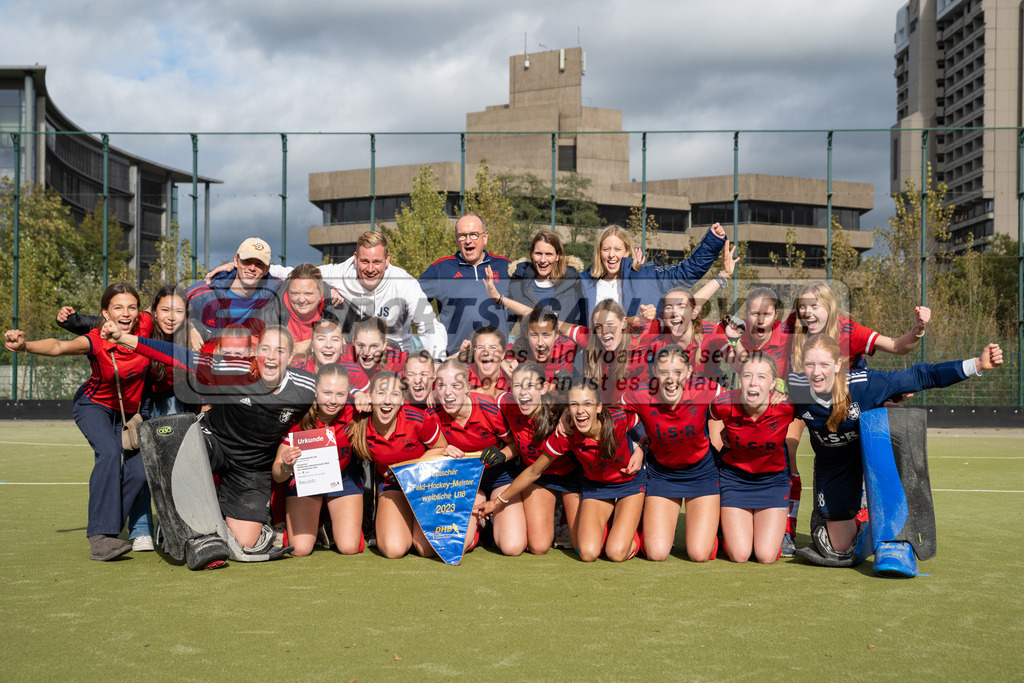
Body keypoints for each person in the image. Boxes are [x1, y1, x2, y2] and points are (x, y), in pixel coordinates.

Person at [101, 321, 316, 555]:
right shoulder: (233, 369)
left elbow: (341, 391)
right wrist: (122, 338)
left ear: (291, 356)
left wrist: (361, 397)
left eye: (280, 351)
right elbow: (176, 355)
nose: (272, 357)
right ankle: (189, 527)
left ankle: (228, 520)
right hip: (214, 440)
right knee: (183, 455)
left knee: (245, 542)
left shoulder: (305, 387)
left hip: (252, 466)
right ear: (255, 351)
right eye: (265, 349)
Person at [789, 334, 1003, 566]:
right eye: (809, 364)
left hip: (872, 459)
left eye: (824, 364)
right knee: (839, 548)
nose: (816, 372)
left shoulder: (865, 384)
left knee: (892, 418)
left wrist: (978, 364)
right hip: (834, 466)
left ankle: (892, 533)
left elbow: (921, 375)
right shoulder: (795, 390)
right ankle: (857, 514)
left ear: (839, 364)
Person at [4, 283, 151, 561]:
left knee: (141, 471)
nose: (126, 313)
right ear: (105, 313)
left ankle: (109, 527)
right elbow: (59, 346)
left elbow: (172, 313)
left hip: (128, 414)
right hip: (93, 405)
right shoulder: (96, 339)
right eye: (118, 307)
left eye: (132, 307)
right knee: (109, 453)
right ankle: (100, 538)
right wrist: (23, 346)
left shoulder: (145, 324)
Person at [477, 377, 646, 563]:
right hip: (596, 488)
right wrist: (495, 503)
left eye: (587, 404)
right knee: (588, 553)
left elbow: (649, 420)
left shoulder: (619, 419)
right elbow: (534, 471)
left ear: (599, 407)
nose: (580, 410)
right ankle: (615, 525)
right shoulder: (566, 434)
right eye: (574, 404)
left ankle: (638, 532)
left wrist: (640, 448)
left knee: (615, 553)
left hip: (630, 485)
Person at [256, 231, 446, 358]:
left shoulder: (405, 284)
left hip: (391, 355)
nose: (370, 269)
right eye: (364, 261)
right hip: (354, 356)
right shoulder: (339, 273)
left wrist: (437, 362)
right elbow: (295, 273)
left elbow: (429, 326)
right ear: (355, 259)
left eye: (377, 262)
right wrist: (250, 268)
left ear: (387, 260)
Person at [622, 345, 723, 562]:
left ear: (688, 372)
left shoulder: (705, 389)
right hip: (662, 474)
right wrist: (637, 446)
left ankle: (714, 535)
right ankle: (641, 532)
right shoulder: (640, 393)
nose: (671, 378)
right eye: (664, 372)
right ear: (655, 373)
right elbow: (614, 417)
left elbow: (742, 402)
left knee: (698, 554)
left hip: (702, 473)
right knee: (656, 553)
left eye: (677, 372)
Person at [349, 371, 452, 559]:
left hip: (424, 484)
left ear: (403, 399)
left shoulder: (418, 419)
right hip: (391, 486)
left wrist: (407, 470)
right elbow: (329, 392)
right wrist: (356, 393)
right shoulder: (359, 421)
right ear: (369, 396)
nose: (387, 401)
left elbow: (441, 448)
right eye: (380, 393)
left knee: (427, 550)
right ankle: (402, 522)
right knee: (393, 550)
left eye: (394, 394)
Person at [431, 359, 527, 556]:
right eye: (442, 386)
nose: (448, 392)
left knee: (512, 547)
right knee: (458, 544)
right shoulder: (432, 415)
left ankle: (493, 523)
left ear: (467, 387)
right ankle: (479, 530)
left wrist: (501, 454)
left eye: (455, 386)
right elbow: (426, 452)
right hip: (464, 480)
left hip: (500, 478)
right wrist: (441, 449)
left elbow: (516, 446)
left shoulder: (488, 408)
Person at [709, 354, 798, 564]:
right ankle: (722, 531)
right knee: (740, 555)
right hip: (735, 481)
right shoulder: (722, 403)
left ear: (773, 383)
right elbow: (702, 418)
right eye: (747, 376)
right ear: (740, 378)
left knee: (765, 556)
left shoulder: (787, 407)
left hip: (773, 482)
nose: (753, 382)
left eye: (761, 377)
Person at [273, 363, 363, 556]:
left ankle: (334, 522)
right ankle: (320, 521)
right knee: (300, 549)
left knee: (349, 547)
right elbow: (277, 474)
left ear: (349, 394)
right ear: (315, 391)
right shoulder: (300, 416)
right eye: (327, 393)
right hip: (307, 481)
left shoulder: (354, 412)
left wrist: (365, 395)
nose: (333, 400)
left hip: (343, 478)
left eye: (340, 394)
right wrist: (287, 464)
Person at [494, 362, 580, 554]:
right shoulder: (506, 403)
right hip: (538, 478)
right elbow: (486, 393)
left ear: (543, 388)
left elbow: (593, 402)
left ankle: (564, 515)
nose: (523, 393)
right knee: (539, 546)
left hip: (572, 477)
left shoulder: (560, 412)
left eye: (530, 386)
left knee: (584, 547)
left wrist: (637, 445)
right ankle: (555, 516)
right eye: (517, 386)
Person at [579, 222, 727, 320]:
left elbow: (686, 272)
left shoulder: (647, 276)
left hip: (638, 363)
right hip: (595, 362)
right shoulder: (583, 283)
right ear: (599, 252)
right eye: (606, 249)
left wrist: (711, 242)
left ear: (627, 252)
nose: (612, 255)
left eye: (617, 249)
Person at [419, 213, 513, 355]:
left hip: (497, 358)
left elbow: (524, 307)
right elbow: (411, 302)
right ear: (457, 240)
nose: (468, 241)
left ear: (485, 237)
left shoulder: (505, 266)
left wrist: (507, 328)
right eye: (462, 236)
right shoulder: (441, 268)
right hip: (457, 358)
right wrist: (432, 333)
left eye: (474, 235)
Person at [185, 237, 280, 337]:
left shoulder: (273, 292)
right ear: (236, 260)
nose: (252, 268)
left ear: (266, 269)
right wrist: (188, 328)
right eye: (247, 261)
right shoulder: (203, 293)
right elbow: (171, 310)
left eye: (259, 264)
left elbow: (295, 275)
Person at [258, 263, 358, 356]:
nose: (301, 300)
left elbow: (362, 332)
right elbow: (252, 346)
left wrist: (341, 339)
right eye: (295, 293)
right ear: (288, 292)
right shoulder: (270, 313)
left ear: (320, 293)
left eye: (308, 294)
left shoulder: (336, 307)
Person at [505, 230, 586, 327]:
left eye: (549, 254)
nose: (543, 260)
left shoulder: (574, 284)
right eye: (538, 253)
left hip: (565, 342)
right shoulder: (517, 284)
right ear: (531, 254)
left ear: (558, 256)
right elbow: (506, 324)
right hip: (529, 341)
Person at [342, 316, 408, 392]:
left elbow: (421, 364)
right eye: (361, 345)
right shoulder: (341, 356)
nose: (366, 353)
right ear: (353, 342)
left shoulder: (394, 358)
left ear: (384, 344)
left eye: (374, 346)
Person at [458, 326, 512, 398]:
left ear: (503, 354)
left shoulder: (511, 374)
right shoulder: (463, 373)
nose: (486, 352)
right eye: (480, 347)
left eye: (493, 347)